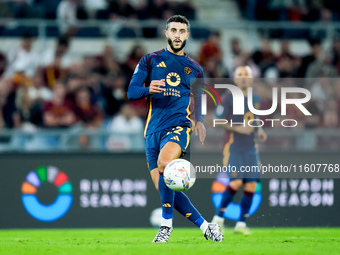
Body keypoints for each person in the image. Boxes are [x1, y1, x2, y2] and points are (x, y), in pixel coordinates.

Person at [127, 15, 223, 243]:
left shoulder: (195, 69)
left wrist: (198, 121)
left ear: (187, 35)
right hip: (151, 132)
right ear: (167, 33)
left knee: (164, 164)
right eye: (174, 30)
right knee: (167, 187)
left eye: (182, 31)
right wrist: (149, 88)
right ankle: (206, 227)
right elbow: (131, 92)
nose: (178, 35)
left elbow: (198, 99)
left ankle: (165, 226)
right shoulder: (150, 61)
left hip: (178, 127)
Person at [212, 66, 267, 235]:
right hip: (233, 147)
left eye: (246, 75)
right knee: (236, 182)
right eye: (240, 75)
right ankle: (218, 219)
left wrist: (260, 130)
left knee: (251, 184)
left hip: (251, 147)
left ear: (251, 79)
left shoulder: (255, 98)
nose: (243, 78)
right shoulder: (228, 98)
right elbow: (218, 120)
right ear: (235, 79)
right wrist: (238, 129)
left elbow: (254, 118)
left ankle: (241, 224)